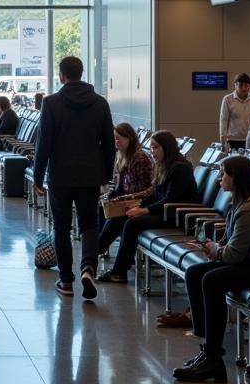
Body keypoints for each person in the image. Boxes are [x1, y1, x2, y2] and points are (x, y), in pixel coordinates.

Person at [172, 156, 250, 384]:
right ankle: (206, 346)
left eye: (223, 173)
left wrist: (215, 250)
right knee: (195, 273)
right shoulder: (242, 200)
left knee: (211, 280)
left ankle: (213, 360)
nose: (219, 177)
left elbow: (232, 255)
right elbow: (231, 243)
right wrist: (214, 247)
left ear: (236, 178)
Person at [32, 57, 115, 299]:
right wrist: (106, 175)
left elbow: (43, 144)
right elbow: (109, 144)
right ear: (82, 73)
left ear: (62, 76)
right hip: (90, 176)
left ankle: (66, 281)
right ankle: (88, 267)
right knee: (90, 225)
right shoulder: (100, 103)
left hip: (60, 176)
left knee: (61, 227)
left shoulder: (51, 103)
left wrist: (38, 176)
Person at [99, 130, 199, 283]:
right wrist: (137, 206)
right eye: (151, 148)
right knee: (124, 215)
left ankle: (118, 271)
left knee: (132, 224)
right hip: (164, 212)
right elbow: (155, 195)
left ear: (167, 147)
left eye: (156, 147)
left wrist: (144, 210)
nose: (152, 151)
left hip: (177, 215)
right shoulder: (164, 165)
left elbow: (170, 200)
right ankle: (96, 253)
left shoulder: (180, 168)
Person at [97, 122, 154, 261]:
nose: (116, 141)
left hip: (139, 203)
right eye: (114, 138)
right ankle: (98, 246)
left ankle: (97, 248)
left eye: (119, 138)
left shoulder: (139, 158)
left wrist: (121, 200)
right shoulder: (123, 157)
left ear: (130, 138)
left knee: (116, 218)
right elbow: (121, 187)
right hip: (129, 200)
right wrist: (109, 197)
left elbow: (145, 189)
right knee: (101, 206)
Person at [219, 73, 250, 152]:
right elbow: (224, 120)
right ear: (235, 85)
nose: (243, 89)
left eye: (246, 86)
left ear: (249, 86)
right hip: (233, 140)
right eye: (240, 86)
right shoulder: (227, 99)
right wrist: (223, 140)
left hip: (249, 139)